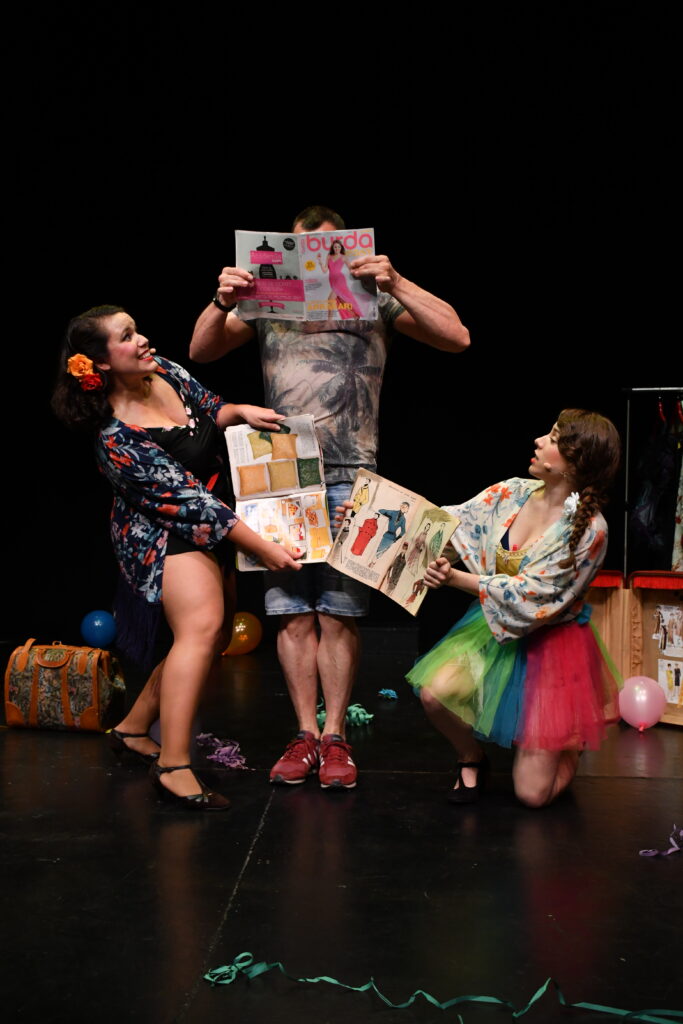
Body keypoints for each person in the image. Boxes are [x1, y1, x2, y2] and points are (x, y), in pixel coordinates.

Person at [189, 205, 470, 790]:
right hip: (279, 472)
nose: (313, 261)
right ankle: (304, 733)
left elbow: (457, 337)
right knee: (290, 613)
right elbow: (201, 351)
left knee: (340, 614)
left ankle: (335, 734)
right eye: (301, 249)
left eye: (326, 248)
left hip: (351, 473)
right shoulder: (268, 300)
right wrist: (221, 300)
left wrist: (396, 281)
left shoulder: (372, 298)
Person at [52, 306, 300, 812]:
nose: (143, 339)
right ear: (101, 362)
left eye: (137, 328)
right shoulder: (117, 438)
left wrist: (240, 411)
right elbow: (189, 506)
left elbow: (208, 407)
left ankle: (132, 728)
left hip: (215, 514)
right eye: (127, 336)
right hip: (164, 532)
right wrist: (264, 548)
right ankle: (173, 766)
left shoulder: (161, 369)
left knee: (217, 631)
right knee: (202, 629)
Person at [406, 410, 622, 808]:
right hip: (497, 624)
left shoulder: (591, 531)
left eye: (553, 438)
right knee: (435, 695)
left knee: (532, 795)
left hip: (552, 644)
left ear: (574, 463)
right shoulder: (513, 493)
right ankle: (471, 757)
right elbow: (451, 521)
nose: (539, 440)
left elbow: (531, 595)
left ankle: (568, 744)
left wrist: (456, 578)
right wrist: (368, 516)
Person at [317, 239, 363, 318]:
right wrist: (320, 262)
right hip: (332, 281)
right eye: (335, 247)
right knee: (341, 299)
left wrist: (358, 271)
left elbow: (350, 268)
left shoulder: (343, 257)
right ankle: (354, 315)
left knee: (330, 299)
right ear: (333, 248)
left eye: (338, 247)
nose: (337, 248)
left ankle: (329, 320)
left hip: (340, 280)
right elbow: (325, 271)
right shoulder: (329, 256)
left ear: (341, 248)